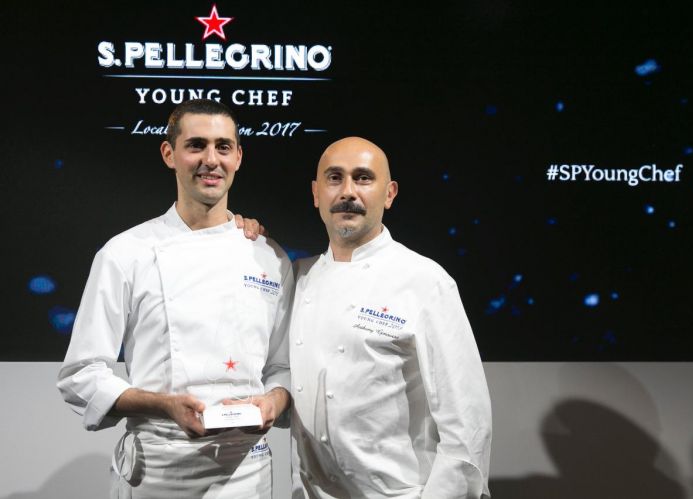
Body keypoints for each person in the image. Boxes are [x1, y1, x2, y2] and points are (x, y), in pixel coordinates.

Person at [57, 99, 292, 498]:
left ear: (238, 156)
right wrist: (162, 405)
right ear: (170, 154)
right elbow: (80, 375)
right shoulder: (126, 252)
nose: (210, 160)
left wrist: (273, 401)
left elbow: (282, 366)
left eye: (222, 147)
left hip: (247, 474)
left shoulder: (269, 256)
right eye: (196, 145)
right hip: (158, 470)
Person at [287, 137, 492, 498]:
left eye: (363, 178)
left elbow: (468, 424)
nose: (348, 191)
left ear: (390, 193)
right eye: (335, 178)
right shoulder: (298, 278)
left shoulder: (425, 281)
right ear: (316, 193)